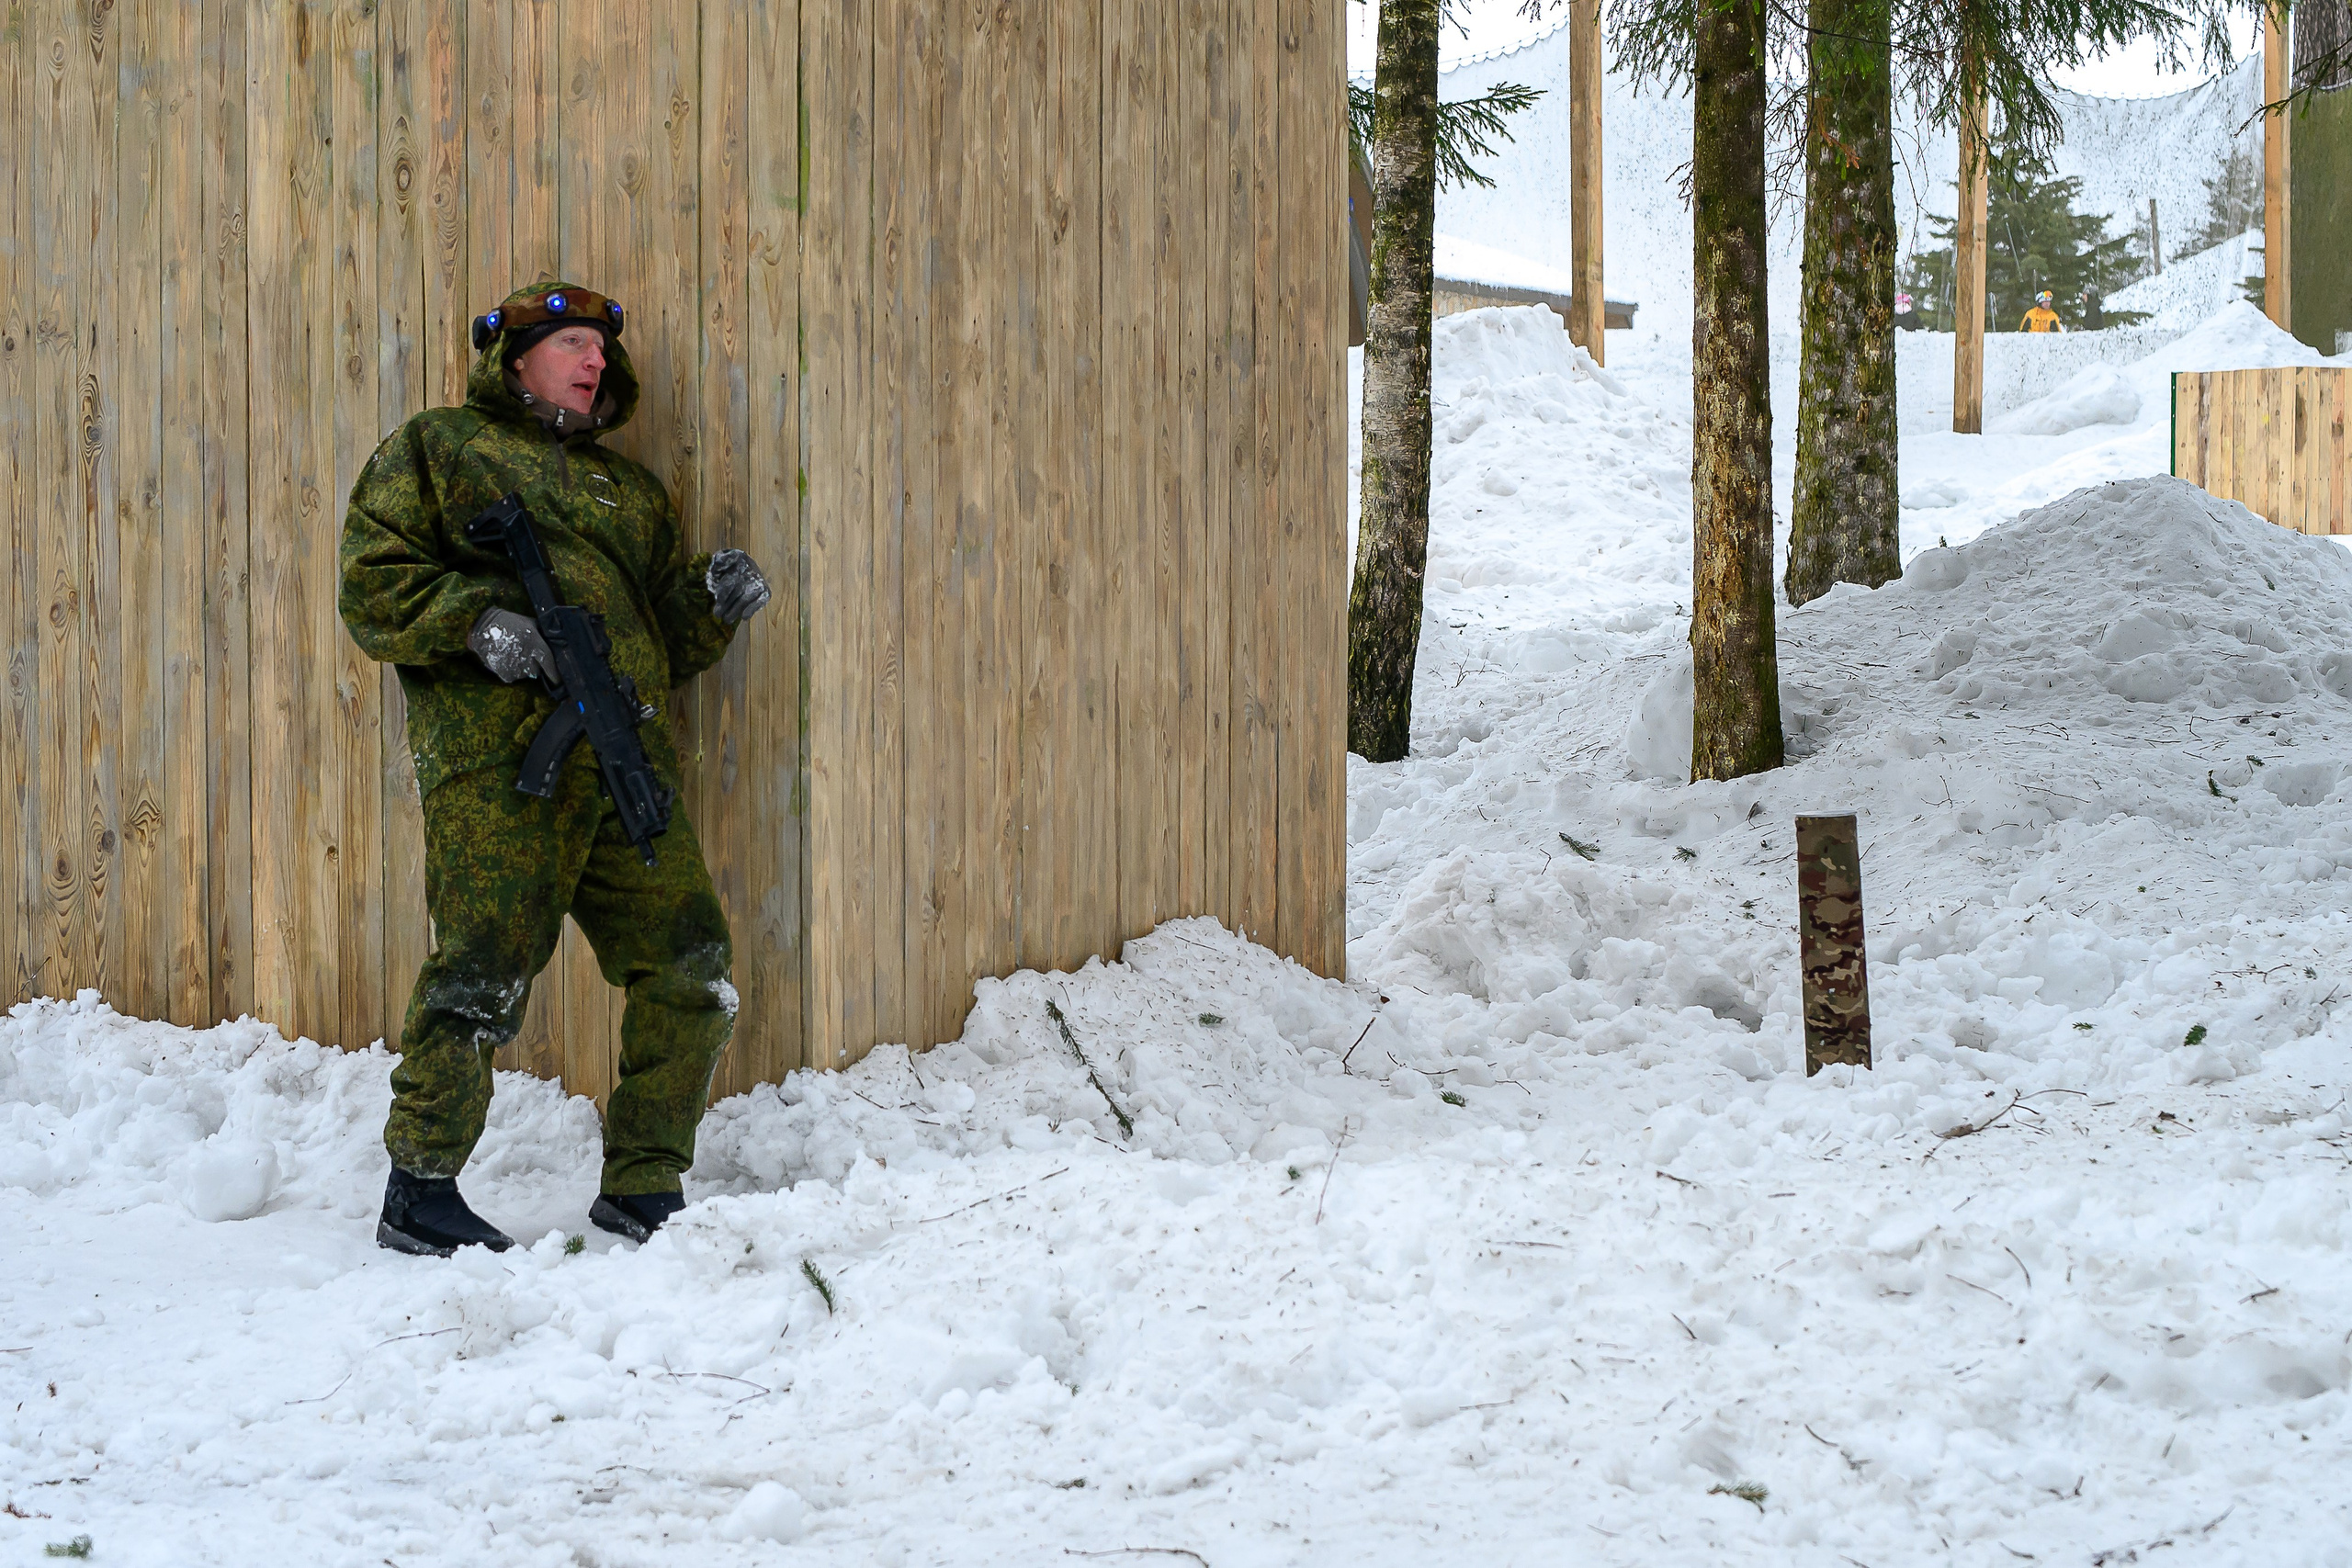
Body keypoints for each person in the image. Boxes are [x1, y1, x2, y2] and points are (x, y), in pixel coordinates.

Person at [339, 280, 774, 1257]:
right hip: (502, 769)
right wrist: (478, 622)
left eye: (600, 349)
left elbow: (657, 644)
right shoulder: (440, 449)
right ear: (516, 355)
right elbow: (371, 585)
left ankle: (645, 1180)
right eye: (573, 342)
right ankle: (420, 1189)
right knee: (482, 970)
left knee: (691, 964)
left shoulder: (632, 493)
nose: (594, 361)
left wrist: (709, 605)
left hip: (624, 766)